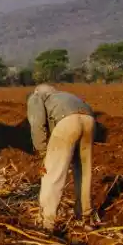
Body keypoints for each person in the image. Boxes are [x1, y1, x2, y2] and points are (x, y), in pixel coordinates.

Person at [27, 84, 98, 232]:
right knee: (83, 171)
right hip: (89, 120)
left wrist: (42, 151)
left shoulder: (37, 96)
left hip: (66, 122)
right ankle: (85, 217)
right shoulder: (66, 95)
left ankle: (47, 222)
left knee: (53, 174)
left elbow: (37, 123)